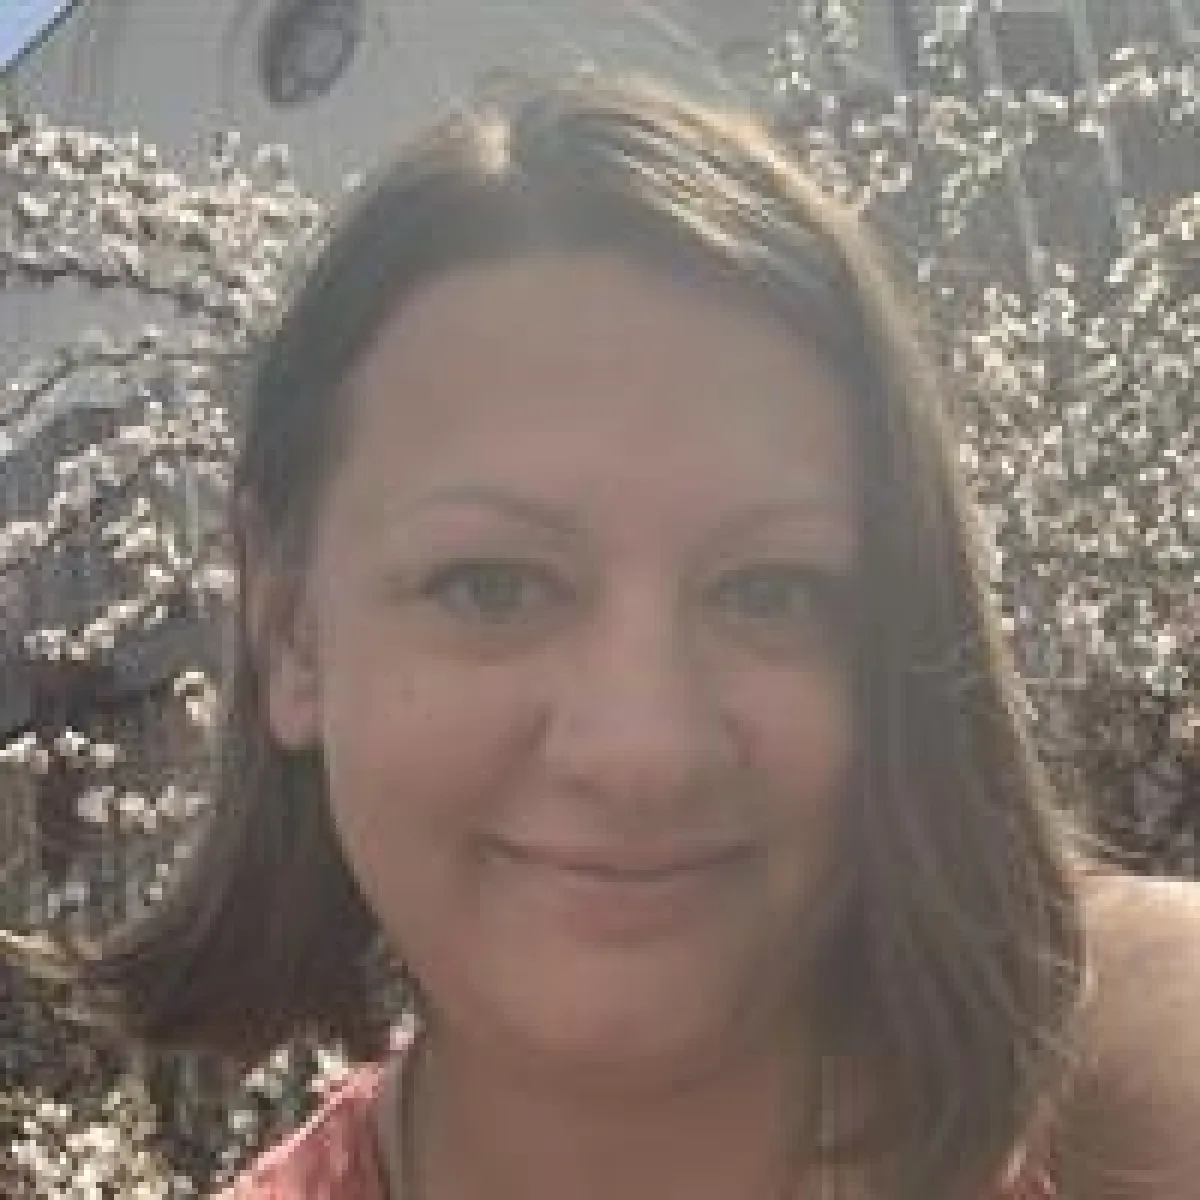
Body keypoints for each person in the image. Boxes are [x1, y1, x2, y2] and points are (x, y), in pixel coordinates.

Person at [80, 75, 1200, 1199]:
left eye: (771, 592)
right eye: (493, 588)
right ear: (292, 634)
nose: (644, 751)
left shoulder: (1129, 1094)